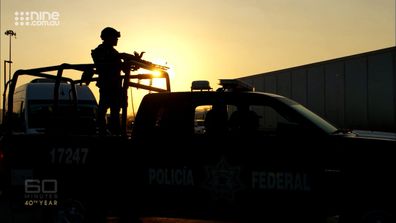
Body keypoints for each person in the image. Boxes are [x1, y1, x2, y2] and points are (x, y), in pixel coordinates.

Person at [89, 27, 139, 136]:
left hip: (116, 86)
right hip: (107, 85)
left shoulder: (114, 52)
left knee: (115, 111)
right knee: (103, 110)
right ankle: (103, 132)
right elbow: (103, 62)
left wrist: (132, 64)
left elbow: (123, 68)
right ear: (107, 38)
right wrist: (122, 58)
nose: (117, 39)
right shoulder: (100, 50)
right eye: (115, 37)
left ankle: (114, 132)